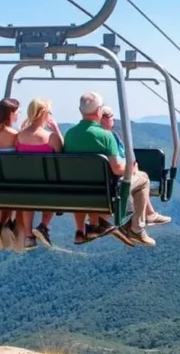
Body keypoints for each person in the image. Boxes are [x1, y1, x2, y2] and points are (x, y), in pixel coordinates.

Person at [64, 92, 161, 247]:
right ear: (99, 111)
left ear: (80, 110)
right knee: (142, 179)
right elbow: (117, 169)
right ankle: (136, 227)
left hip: (77, 191)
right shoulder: (105, 136)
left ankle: (99, 223)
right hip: (105, 192)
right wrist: (132, 169)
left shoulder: (69, 134)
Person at [100, 105, 171, 230]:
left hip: (94, 184)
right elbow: (116, 165)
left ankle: (148, 214)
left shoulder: (87, 137)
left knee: (138, 174)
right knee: (142, 178)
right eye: (111, 116)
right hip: (113, 182)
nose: (113, 119)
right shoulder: (109, 138)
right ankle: (139, 223)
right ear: (104, 119)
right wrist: (131, 168)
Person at [15, 98, 64, 251]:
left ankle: (29, 236)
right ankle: (43, 226)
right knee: (54, 189)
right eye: (49, 112)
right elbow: (62, 151)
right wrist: (56, 129)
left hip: (26, 184)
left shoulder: (19, 136)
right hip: (48, 185)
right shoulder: (50, 137)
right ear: (43, 114)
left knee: (27, 197)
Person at [0, 98, 21, 251]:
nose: (19, 113)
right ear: (10, 114)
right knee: (12, 188)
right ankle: (6, 222)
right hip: (12, 181)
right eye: (17, 111)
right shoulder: (15, 134)